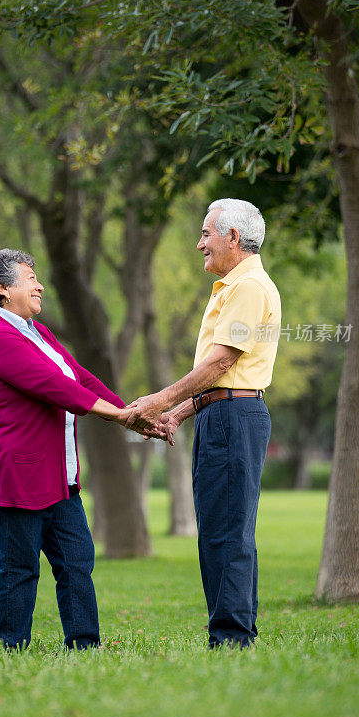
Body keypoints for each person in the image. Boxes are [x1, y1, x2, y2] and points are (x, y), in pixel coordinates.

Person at [0, 248, 163, 652]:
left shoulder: (38, 332)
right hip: (18, 477)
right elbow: (56, 388)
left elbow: (78, 376)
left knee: (77, 562)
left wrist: (130, 409)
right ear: (3, 289)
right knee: (20, 569)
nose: (40, 285)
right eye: (29, 278)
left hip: (60, 479)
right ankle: (13, 649)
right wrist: (121, 417)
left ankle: (84, 645)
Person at [126, 199, 281, 649]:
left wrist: (159, 400)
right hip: (223, 413)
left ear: (234, 237)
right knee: (219, 528)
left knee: (227, 530)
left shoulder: (249, 287)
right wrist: (178, 412)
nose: (199, 245)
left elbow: (221, 364)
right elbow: (225, 376)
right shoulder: (236, 287)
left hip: (234, 418)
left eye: (206, 234)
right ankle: (233, 634)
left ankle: (231, 640)